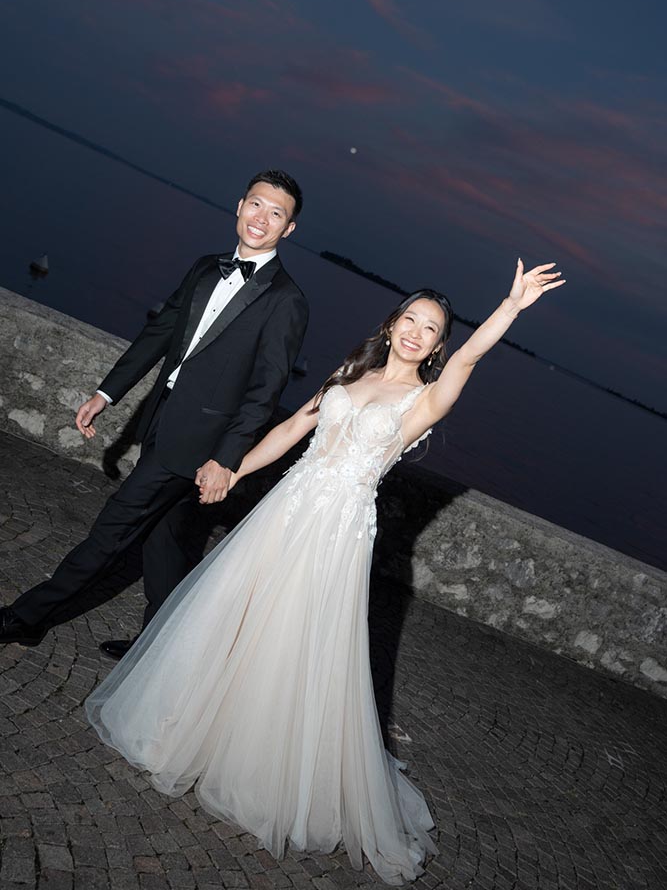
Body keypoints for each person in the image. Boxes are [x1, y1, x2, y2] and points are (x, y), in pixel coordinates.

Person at [84, 258, 565, 884]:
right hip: (287, 507)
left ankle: (264, 763)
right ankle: (197, 727)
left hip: (337, 528)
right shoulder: (350, 374)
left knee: (297, 637)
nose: (417, 332)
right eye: (410, 320)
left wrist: (511, 306)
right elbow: (291, 427)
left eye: (431, 329)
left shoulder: (424, 401)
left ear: (437, 346)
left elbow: (470, 358)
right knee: (241, 613)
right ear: (392, 325)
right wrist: (232, 469)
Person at [0, 169, 309, 658]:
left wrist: (225, 459)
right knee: (164, 541)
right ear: (239, 205)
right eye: (256, 204)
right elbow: (159, 333)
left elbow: (263, 393)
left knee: (111, 530)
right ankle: (158, 648)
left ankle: (27, 617)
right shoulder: (206, 267)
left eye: (276, 213)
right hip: (161, 420)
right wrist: (106, 394)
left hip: (199, 445)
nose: (261, 218)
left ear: (288, 229)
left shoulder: (286, 301)